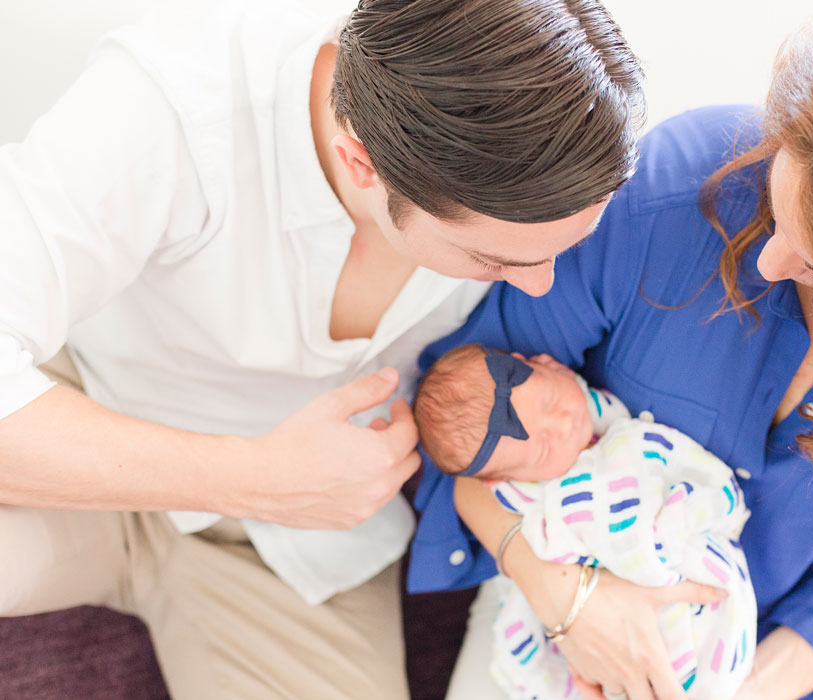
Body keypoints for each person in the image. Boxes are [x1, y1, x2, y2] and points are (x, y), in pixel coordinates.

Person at [0, 0, 644, 697]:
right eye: (493, 259)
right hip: (82, 415)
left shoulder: (519, 188)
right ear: (359, 162)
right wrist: (253, 477)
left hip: (299, 549)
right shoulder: (174, 106)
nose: (543, 287)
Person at [408, 11, 813, 700]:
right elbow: (463, 418)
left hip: (790, 647)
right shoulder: (670, 194)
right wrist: (569, 599)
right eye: (779, 210)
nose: (768, 264)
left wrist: (750, 687)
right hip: (560, 588)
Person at [413, 343, 756, 699]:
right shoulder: (537, 498)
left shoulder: (615, 430)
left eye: (549, 401)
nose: (563, 423)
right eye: (544, 447)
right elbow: (552, 544)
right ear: (504, 481)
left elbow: (693, 480)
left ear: (547, 364)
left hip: (695, 598)